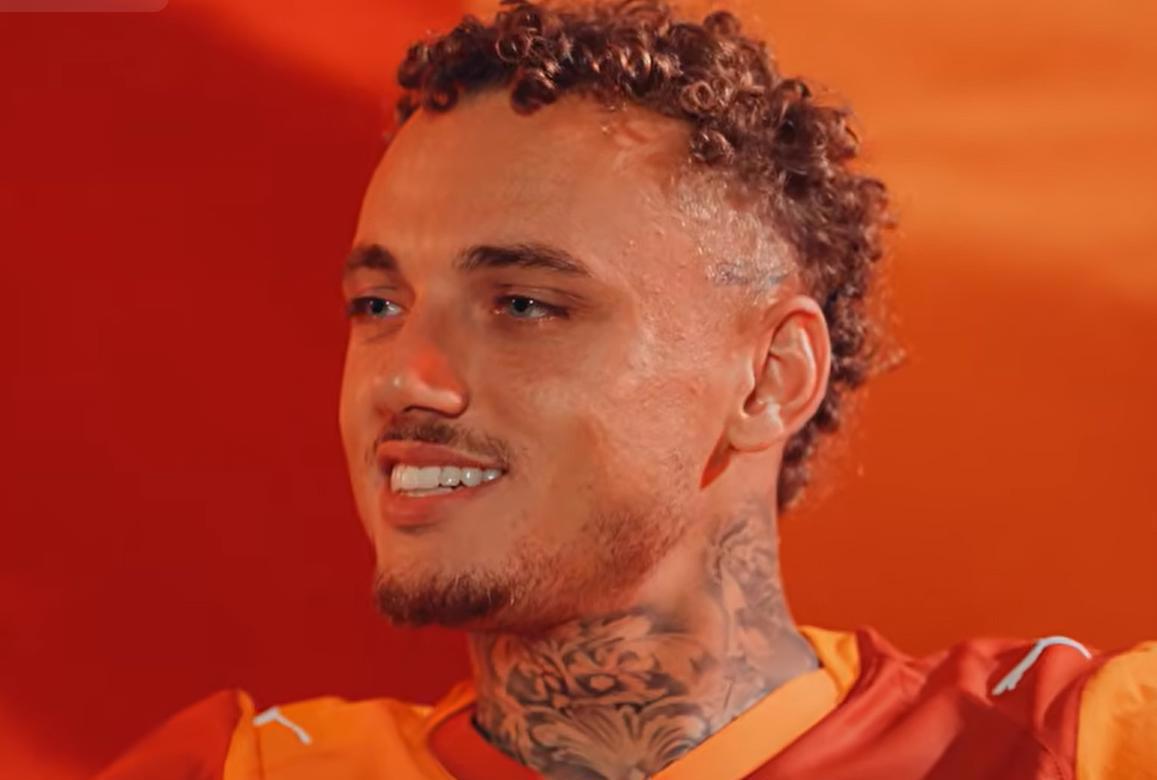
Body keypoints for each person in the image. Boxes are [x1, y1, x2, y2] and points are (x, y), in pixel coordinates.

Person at [97, 1, 1157, 778]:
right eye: (378, 304)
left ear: (769, 376)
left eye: (523, 304)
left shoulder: (1072, 746)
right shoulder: (240, 771)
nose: (404, 378)